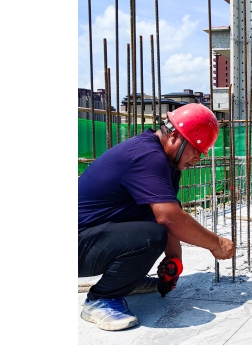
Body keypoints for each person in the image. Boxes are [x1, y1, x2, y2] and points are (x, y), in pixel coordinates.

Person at [78, 104, 235, 331]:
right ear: (174, 136)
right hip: (79, 242)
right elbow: (169, 219)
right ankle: (101, 299)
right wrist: (216, 244)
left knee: (156, 224)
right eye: (196, 149)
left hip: (93, 238)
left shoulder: (168, 163)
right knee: (151, 236)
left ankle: (126, 280)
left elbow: (171, 212)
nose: (199, 158)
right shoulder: (148, 156)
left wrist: (174, 261)